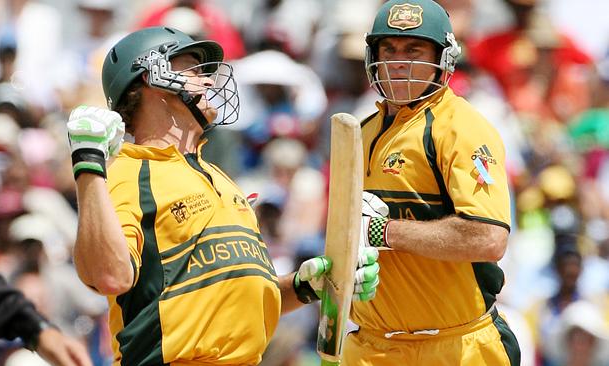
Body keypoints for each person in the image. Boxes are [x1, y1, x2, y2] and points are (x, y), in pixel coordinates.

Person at [65, 26, 379, 365]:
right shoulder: (129, 172)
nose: (209, 81)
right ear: (151, 78)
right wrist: (88, 165)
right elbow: (109, 275)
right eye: (193, 70)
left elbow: (236, 305)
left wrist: (302, 288)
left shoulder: (220, 178)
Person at [349, 0, 520, 365]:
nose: (398, 62)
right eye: (388, 49)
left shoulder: (461, 127)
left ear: (442, 58)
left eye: (414, 50)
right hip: (370, 347)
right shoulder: (357, 134)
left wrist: (384, 232)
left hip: (456, 347)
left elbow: (488, 238)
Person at [0, 217, 92, 366]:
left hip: (55, 343)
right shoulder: (7, 274)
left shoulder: (63, 277)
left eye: (34, 245)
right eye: (25, 245)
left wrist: (39, 330)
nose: (31, 251)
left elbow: (92, 310)